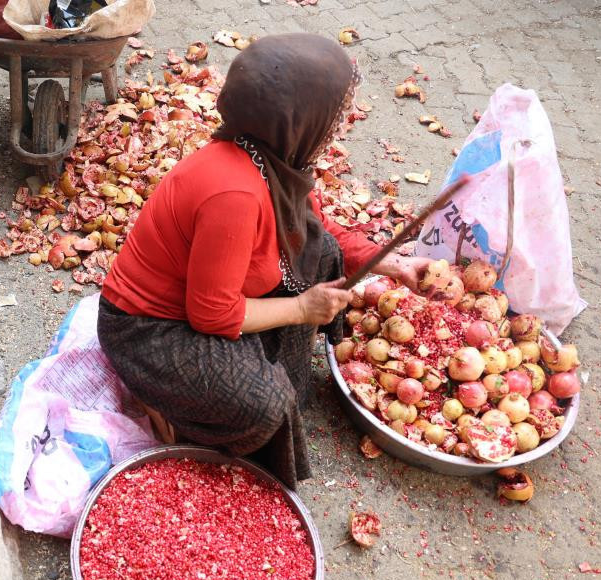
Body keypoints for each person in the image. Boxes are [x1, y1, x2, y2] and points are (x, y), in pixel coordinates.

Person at [96, 33, 431, 489]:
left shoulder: (268, 158)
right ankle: (170, 407)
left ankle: (267, 369)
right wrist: (301, 310)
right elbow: (211, 314)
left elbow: (315, 227)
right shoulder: (234, 192)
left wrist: (387, 263)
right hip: (148, 329)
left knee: (320, 252)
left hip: (204, 305)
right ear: (294, 120)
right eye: (332, 116)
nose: (339, 126)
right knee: (264, 407)